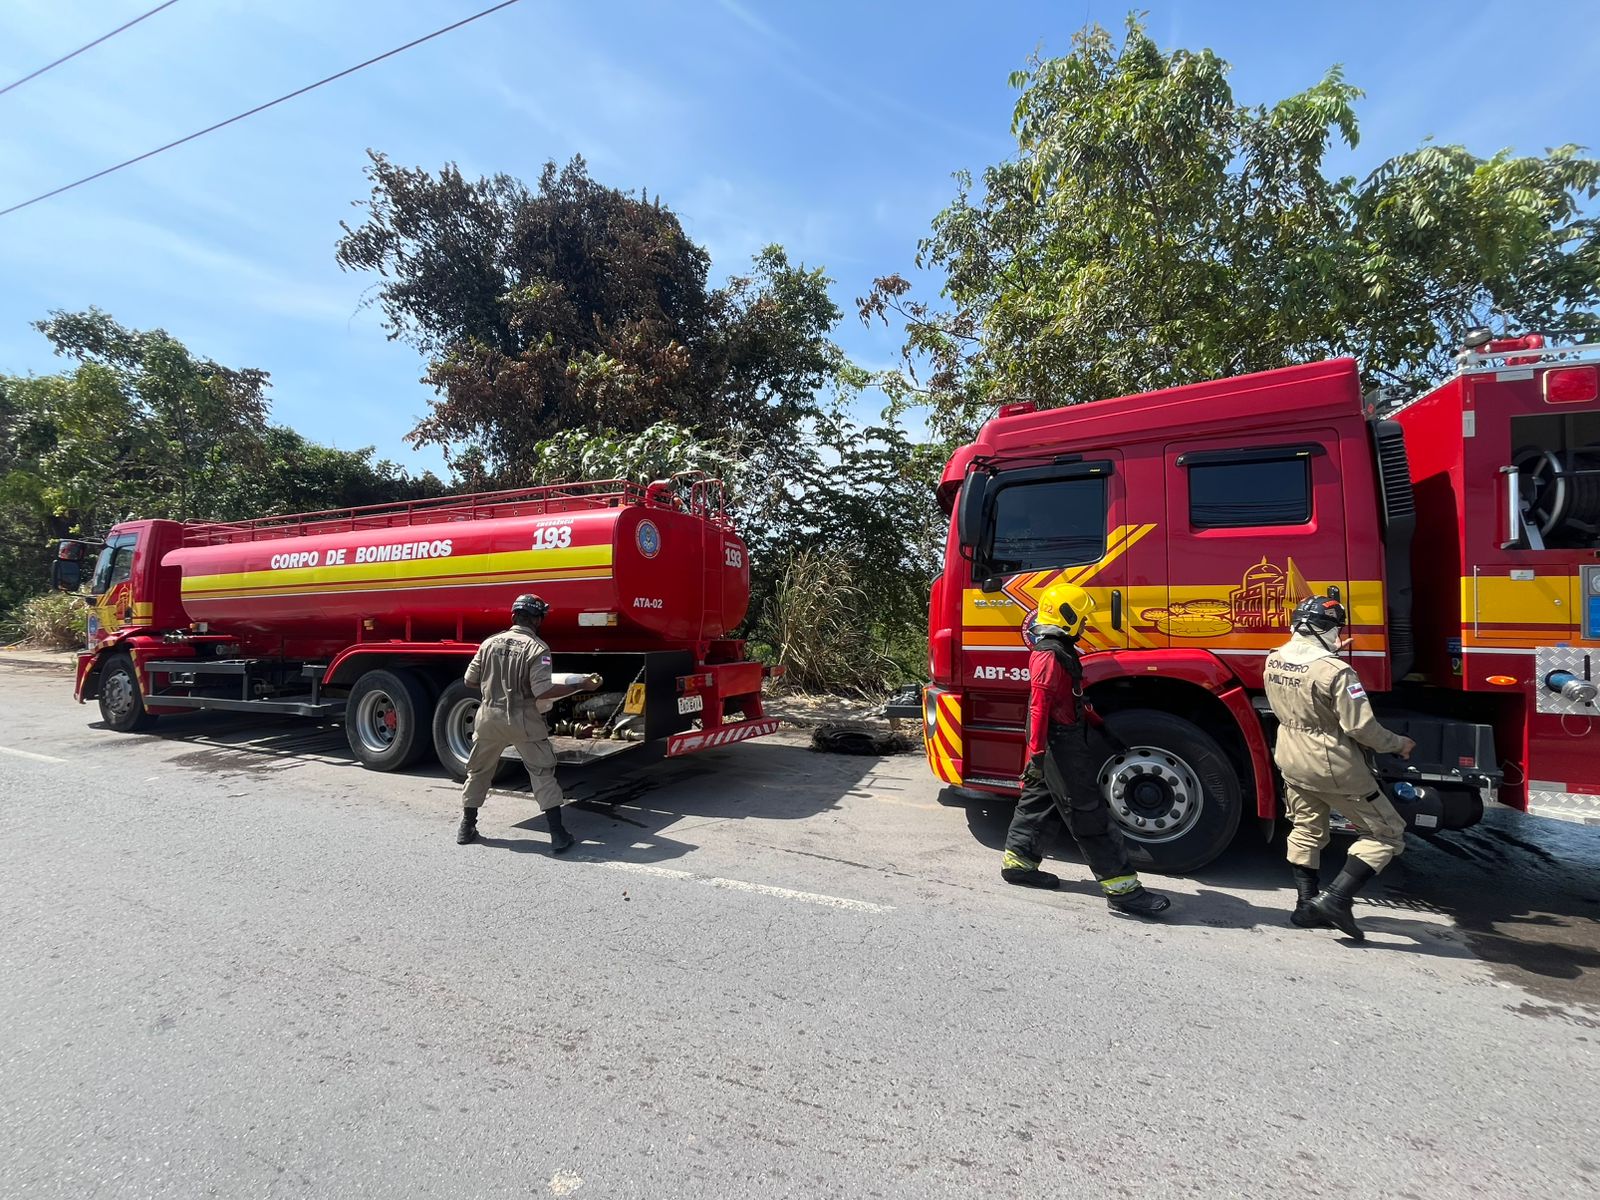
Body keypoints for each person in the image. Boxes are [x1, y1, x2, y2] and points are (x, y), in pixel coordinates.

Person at [1000, 583, 1171, 918]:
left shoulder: (1061, 651)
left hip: (1057, 740)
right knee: (1086, 810)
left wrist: (1103, 729)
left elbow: (1072, 699)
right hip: (1058, 744)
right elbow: (1039, 706)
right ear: (1067, 616)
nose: (1086, 623)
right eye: (1082, 617)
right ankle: (1122, 890)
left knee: (1038, 801)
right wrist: (1036, 756)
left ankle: (1018, 864)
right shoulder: (1049, 655)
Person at [1264, 595, 1416, 941]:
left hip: (1290, 757)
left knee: (1306, 829)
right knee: (1386, 832)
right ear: (1330, 630)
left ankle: (1306, 906)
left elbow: (1302, 679)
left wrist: (1328, 653)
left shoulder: (1274, 659)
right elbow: (1361, 728)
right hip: (1332, 764)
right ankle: (1336, 899)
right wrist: (1398, 743)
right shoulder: (1337, 672)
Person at [457, 593, 602, 850]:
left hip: (488, 719)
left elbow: (469, 680)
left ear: (514, 616)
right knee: (541, 773)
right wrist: (580, 684)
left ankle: (466, 827)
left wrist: (494, 688)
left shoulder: (489, 643)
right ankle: (558, 835)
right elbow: (542, 691)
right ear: (538, 620)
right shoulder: (537, 648)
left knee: (479, 771)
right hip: (523, 720)